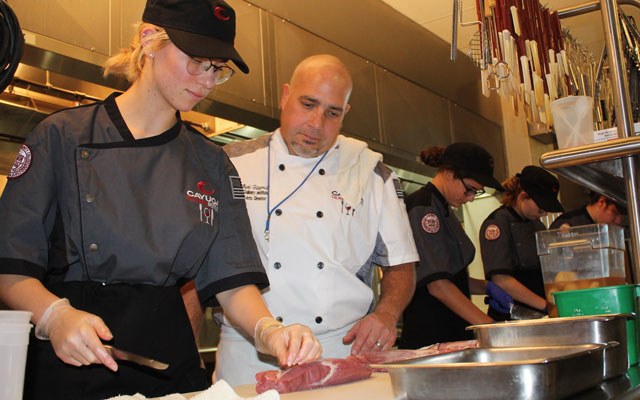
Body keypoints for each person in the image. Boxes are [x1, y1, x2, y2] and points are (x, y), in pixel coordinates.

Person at [0, 1, 321, 399]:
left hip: (170, 369)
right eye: (198, 61)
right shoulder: (62, 136)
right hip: (72, 361)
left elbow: (231, 280)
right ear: (149, 40)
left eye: (218, 69)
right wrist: (53, 315)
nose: (206, 79)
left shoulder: (210, 163)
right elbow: (10, 268)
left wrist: (270, 331)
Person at [209, 54, 419, 385]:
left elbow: (401, 265)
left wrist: (387, 313)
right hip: (247, 354)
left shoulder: (373, 175)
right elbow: (203, 265)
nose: (316, 124)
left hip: (339, 352)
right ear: (284, 95)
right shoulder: (228, 164)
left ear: (345, 114)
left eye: (332, 113)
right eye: (308, 104)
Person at [398, 143, 512, 350]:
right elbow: (437, 285)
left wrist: (485, 287)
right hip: (431, 335)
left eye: (476, 193)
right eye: (469, 190)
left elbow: (451, 276)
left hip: (451, 330)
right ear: (449, 173)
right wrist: (489, 327)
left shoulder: (445, 209)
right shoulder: (424, 208)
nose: (469, 198)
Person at [480, 166, 563, 321]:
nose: (544, 214)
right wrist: (547, 307)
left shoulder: (537, 225)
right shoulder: (497, 223)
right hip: (511, 315)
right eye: (541, 208)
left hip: (539, 314)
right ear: (523, 196)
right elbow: (502, 280)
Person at [550, 191, 624, 229]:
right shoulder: (568, 224)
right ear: (601, 202)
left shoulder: (605, 229)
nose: (618, 221)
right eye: (615, 213)